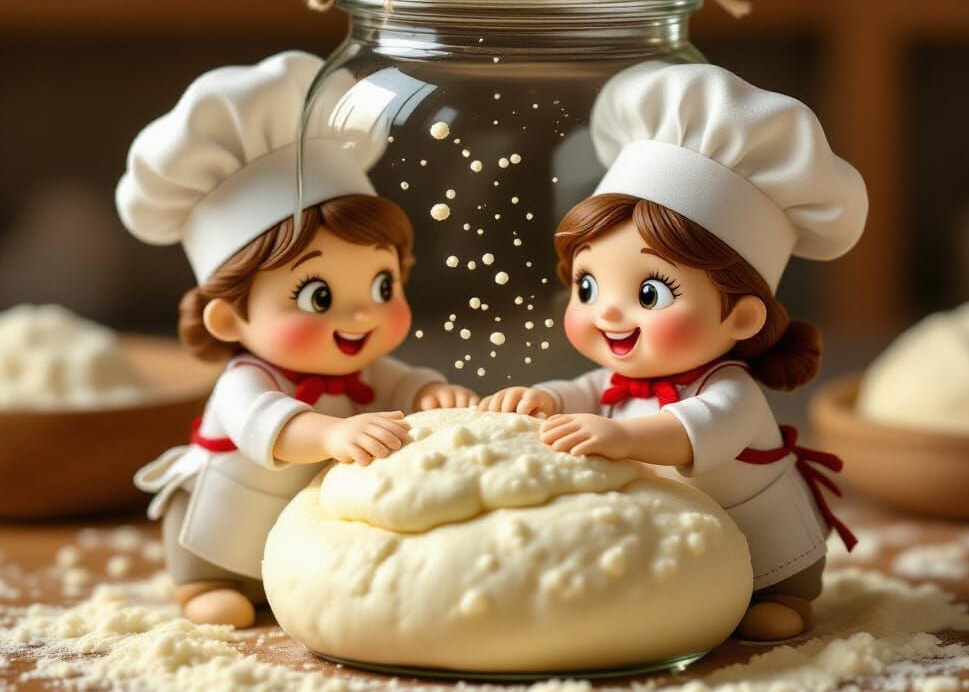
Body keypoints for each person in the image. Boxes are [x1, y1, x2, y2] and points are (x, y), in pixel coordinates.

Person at [480, 62, 867, 641]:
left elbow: (693, 428)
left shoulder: (730, 393)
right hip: (679, 541)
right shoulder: (617, 378)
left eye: (649, 293)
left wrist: (627, 439)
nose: (608, 312)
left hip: (762, 546)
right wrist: (541, 398)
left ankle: (789, 598)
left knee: (766, 590)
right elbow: (583, 392)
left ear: (740, 316)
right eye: (587, 287)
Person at [117, 51, 475, 628]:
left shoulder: (361, 370)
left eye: (384, 283)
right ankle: (200, 584)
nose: (363, 314)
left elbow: (399, 380)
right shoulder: (244, 382)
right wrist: (333, 433)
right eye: (318, 297)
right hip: (226, 527)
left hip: (303, 536)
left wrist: (429, 392)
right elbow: (270, 423)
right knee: (217, 566)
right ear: (229, 320)